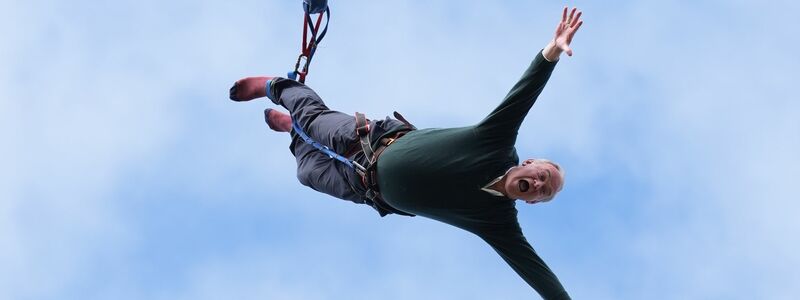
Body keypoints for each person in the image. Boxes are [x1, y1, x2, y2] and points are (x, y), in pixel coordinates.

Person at [229, 7, 583, 300]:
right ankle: (273, 86)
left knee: (306, 173)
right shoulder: (496, 142)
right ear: (530, 163)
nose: (538, 183)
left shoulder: (498, 222)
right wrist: (552, 50)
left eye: (544, 190)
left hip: (364, 188)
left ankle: (291, 130)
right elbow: (524, 93)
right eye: (543, 175)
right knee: (312, 115)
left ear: (534, 202)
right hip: (367, 139)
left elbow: (537, 274)